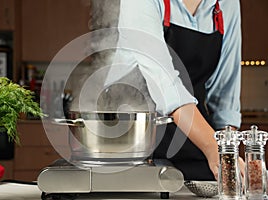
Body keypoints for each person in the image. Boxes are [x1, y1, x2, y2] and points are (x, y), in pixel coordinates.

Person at [104, 0, 244, 180]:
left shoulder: (226, 4)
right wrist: (213, 147)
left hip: (194, 139)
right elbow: (165, 85)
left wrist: (227, 154)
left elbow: (225, 98)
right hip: (130, 139)